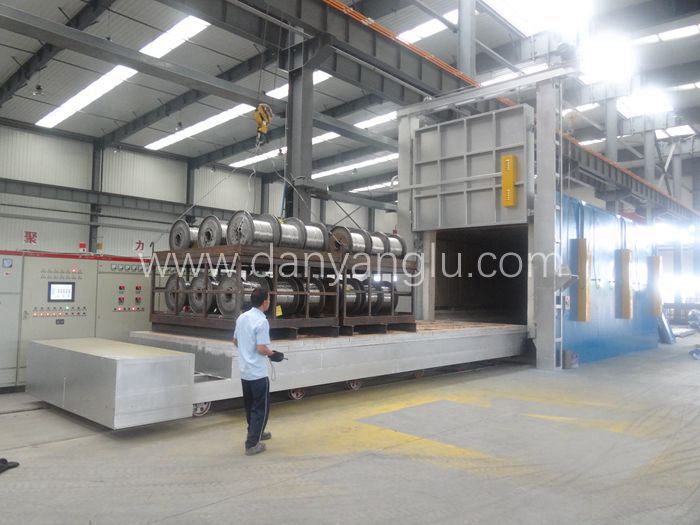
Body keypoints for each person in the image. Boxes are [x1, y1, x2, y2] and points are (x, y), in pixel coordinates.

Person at [233, 287, 283, 456]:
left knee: (250, 406)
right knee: (260, 408)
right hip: (258, 374)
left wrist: (246, 352)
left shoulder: (242, 317)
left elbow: (235, 341)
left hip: (245, 372)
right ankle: (252, 444)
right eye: (268, 299)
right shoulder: (262, 321)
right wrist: (274, 354)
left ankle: (257, 432)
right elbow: (261, 348)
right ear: (265, 302)